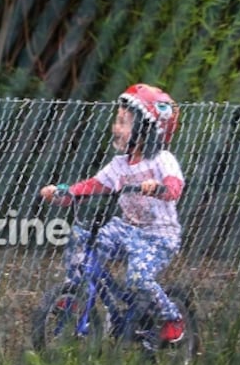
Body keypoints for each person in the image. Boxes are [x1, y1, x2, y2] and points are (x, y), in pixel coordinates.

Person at [39, 83, 185, 343]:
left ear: (146, 129)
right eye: (116, 121)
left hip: (158, 235)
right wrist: (65, 192)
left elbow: (175, 187)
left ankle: (171, 317)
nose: (116, 128)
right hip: (125, 228)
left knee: (139, 277)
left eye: (123, 122)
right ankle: (78, 296)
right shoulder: (119, 165)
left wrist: (158, 188)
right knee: (81, 240)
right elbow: (94, 185)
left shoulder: (162, 159)